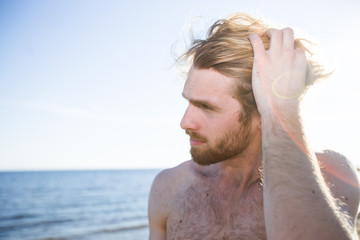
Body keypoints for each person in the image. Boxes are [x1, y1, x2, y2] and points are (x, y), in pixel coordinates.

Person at [148, 13, 360, 240]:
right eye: (188, 101)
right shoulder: (168, 187)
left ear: (262, 110)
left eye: (206, 107)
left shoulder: (332, 176)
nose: (185, 122)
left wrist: (281, 109)